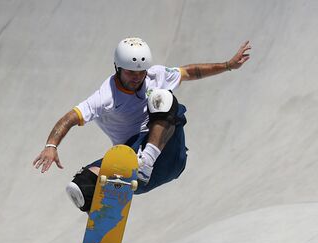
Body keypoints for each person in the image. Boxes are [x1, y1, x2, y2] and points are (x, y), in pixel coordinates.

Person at [33, 37, 251, 212]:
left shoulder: (155, 77)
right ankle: (106, 237)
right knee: (81, 186)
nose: (137, 77)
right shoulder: (105, 96)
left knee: (163, 97)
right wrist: (51, 146)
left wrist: (227, 65)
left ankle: (146, 161)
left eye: (141, 72)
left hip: (168, 156)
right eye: (130, 72)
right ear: (118, 68)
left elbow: (189, 72)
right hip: (132, 164)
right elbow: (69, 118)